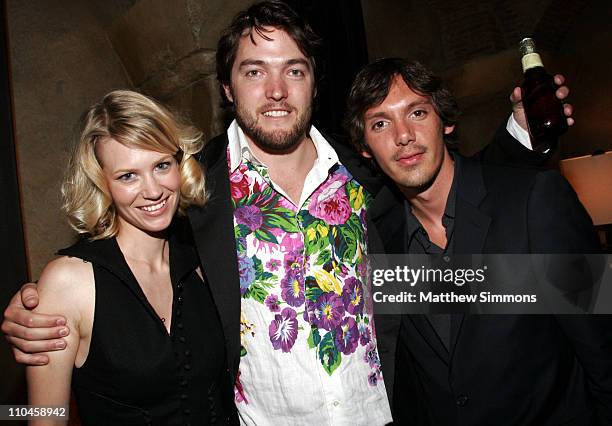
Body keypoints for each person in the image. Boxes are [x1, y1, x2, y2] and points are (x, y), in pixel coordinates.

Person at [2, 2, 575, 424]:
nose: (275, 90)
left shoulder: (366, 176)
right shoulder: (192, 194)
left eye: (293, 70)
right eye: (254, 71)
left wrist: (519, 139)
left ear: (312, 84)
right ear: (228, 85)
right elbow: (121, 260)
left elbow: (439, 188)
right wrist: (48, 298)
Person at [344, 57, 612, 425]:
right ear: (365, 149)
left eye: (417, 113)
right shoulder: (380, 239)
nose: (402, 135)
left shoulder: (535, 201)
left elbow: (603, 352)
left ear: (446, 121)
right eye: (380, 123)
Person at [25, 90, 237, 425]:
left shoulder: (203, 263)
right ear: (102, 182)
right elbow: (44, 418)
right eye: (128, 176)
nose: (152, 190)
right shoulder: (70, 282)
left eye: (161, 165)